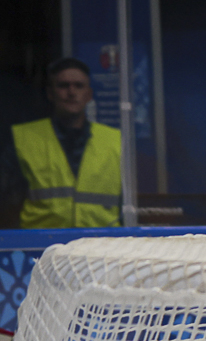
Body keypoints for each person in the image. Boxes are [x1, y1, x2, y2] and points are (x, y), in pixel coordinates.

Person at [0, 57, 121, 229]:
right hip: (40, 247)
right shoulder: (24, 139)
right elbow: (6, 202)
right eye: (63, 85)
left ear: (89, 95)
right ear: (50, 93)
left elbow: (127, 201)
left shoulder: (115, 140)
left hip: (100, 247)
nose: (71, 92)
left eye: (79, 86)